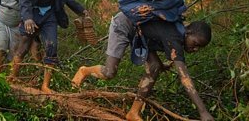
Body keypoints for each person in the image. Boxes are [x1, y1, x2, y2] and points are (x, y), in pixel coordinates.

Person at [71, 11, 214, 121]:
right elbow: (185, 79)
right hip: (124, 24)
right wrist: (203, 112)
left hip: (140, 34)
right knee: (109, 73)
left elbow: (156, 33)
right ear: (188, 32)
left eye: (199, 48)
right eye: (195, 44)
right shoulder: (175, 36)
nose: (195, 49)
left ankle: (133, 112)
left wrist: (160, 64)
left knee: (155, 67)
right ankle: (84, 71)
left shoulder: (178, 33)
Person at [10, 0, 89, 93]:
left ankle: (45, 86)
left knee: (52, 47)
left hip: (49, 14)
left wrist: (81, 10)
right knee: (24, 45)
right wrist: (27, 18)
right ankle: (13, 76)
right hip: (32, 12)